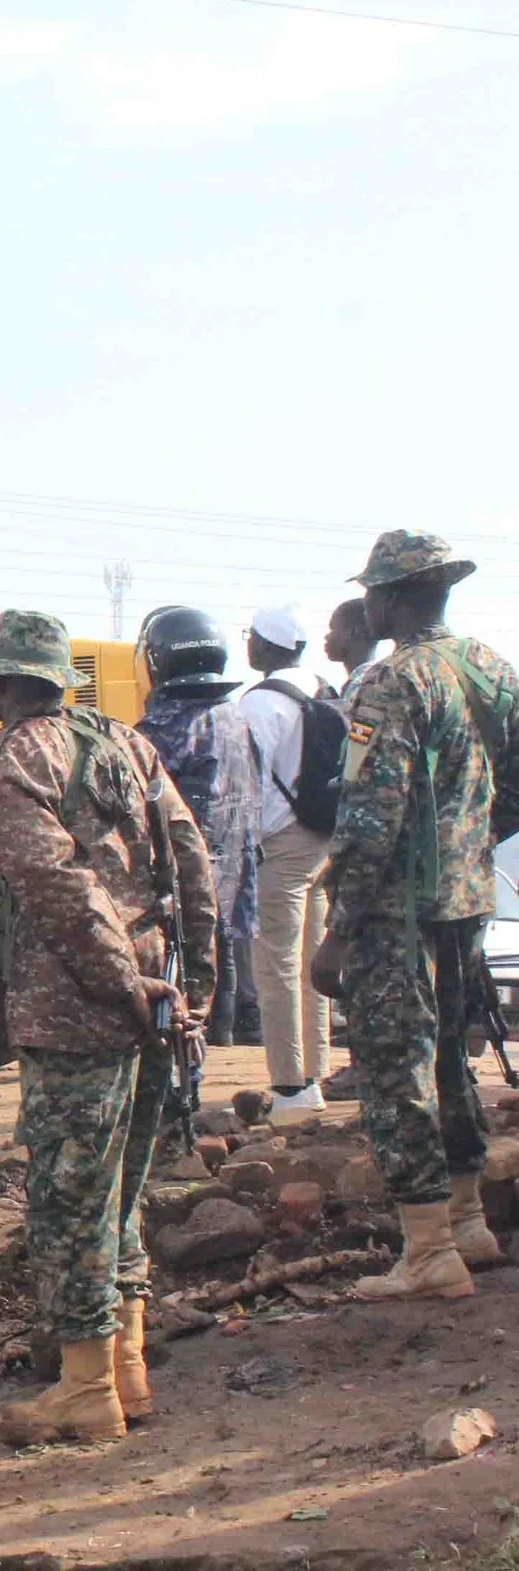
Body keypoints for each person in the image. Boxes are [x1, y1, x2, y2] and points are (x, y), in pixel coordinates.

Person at [0, 611, 216, 1447]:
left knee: (72, 1197)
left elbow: (61, 889)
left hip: (81, 1009)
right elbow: (193, 859)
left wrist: (122, 985)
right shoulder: (128, 745)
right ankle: (128, 1367)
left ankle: (83, 1387)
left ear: (3, 684)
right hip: (149, 998)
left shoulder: (12, 758)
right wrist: (191, 989)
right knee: (122, 1190)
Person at [310, 532, 519, 1300]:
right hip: (466, 899)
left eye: (372, 591)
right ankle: (467, 1222)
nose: (366, 603)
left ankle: (428, 1249)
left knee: (396, 1068)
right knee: (448, 1063)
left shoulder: (392, 682)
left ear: (393, 597)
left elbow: (370, 816)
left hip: (397, 910)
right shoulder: (488, 668)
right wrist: (474, 839)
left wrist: (338, 931)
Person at [133, 606, 259, 1049]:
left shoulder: (155, 732)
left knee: (186, 996)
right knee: (220, 976)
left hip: (182, 890)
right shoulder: (235, 720)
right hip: (232, 880)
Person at [237, 604, 332, 1121]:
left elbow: (245, 786)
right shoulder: (322, 689)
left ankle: (290, 1088)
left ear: (269, 645)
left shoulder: (259, 706)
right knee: (313, 962)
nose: (247, 644)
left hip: (281, 844)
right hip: (324, 841)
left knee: (274, 964)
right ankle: (313, 1076)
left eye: (251, 636)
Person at [327, 597, 381, 703]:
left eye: (333, 629)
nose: (326, 636)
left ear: (353, 632)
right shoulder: (373, 679)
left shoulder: (363, 685)